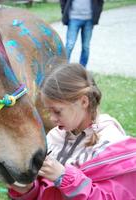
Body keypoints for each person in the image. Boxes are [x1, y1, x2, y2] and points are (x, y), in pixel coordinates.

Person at [8, 63, 136, 200]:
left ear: (84, 102)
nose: (52, 119)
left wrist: (64, 178)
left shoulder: (111, 145)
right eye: (48, 111)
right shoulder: (54, 138)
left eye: (57, 111)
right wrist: (27, 190)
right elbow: (47, 193)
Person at [60, 0, 104, 67]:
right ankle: (63, 67)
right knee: (69, 45)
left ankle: (83, 68)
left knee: (86, 47)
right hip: (73, 18)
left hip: (89, 20)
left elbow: (100, 2)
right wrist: (64, 11)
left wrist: (97, 13)